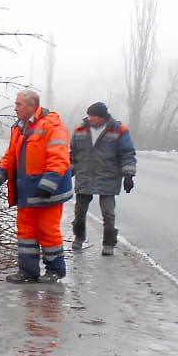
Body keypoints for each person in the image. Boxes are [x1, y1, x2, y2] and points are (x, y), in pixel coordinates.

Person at [0, 89, 73, 283]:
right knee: (26, 232)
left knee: (47, 230)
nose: (15, 108)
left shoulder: (52, 125)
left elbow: (59, 157)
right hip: (26, 190)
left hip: (48, 192)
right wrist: (0, 174)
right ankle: (28, 271)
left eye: (18, 104)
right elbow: (11, 154)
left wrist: (48, 184)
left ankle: (55, 270)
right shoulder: (18, 127)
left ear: (31, 105)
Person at [70, 101, 137, 256]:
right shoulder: (80, 130)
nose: (90, 118)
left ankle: (108, 243)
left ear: (102, 117)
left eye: (93, 116)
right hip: (85, 175)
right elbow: (73, 153)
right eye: (89, 115)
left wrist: (129, 175)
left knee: (108, 212)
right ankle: (78, 237)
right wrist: (70, 171)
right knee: (79, 211)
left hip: (108, 176)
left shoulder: (119, 130)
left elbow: (127, 153)